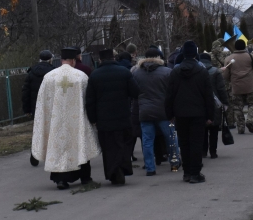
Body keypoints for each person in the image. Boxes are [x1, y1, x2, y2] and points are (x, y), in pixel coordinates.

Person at [32, 47, 100, 190]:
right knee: (79, 145)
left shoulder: (49, 77)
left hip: (56, 122)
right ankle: (85, 178)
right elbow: (89, 99)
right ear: (73, 60)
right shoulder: (80, 76)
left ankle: (60, 180)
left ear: (61, 60)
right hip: (77, 121)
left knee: (58, 147)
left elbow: (42, 102)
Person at [86, 48, 140, 185]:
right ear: (114, 58)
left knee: (109, 147)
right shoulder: (124, 72)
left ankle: (113, 172)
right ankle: (123, 168)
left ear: (100, 60)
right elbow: (135, 92)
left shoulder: (94, 75)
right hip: (123, 115)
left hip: (104, 119)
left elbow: (90, 100)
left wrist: (93, 119)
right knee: (123, 144)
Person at [164, 41, 216, 184]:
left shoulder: (175, 72)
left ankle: (186, 172)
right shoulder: (202, 71)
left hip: (180, 113)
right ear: (195, 54)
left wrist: (169, 114)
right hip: (198, 113)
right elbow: (208, 96)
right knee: (196, 143)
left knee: (184, 143)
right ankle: (195, 173)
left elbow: (169, 95)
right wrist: (210, 115)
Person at [132, 48, 176, 176]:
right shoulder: (167, 72)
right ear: (158, 57)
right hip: (164, 111)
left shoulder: (136, 73)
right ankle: (174, 162)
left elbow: (134, 93)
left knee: (147, 141)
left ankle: (150, 168)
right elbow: (172, 92)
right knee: (171, 137)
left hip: (144, 111)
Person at [22, 49, 56, 166]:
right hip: (51, 106)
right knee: (52, 130)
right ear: (50, 59)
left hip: (36, 107)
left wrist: (27, 109)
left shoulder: (31, 73)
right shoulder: (54, 72)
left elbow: (25, 92)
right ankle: (52, 155)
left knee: (38, 130)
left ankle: (34, 154)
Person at [223, 39, 253, 134]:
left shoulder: (229, 58)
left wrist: (232, 80)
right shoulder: (250, 56)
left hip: (236, 86)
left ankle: (241, 128)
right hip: (250, 85)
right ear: (244, 46)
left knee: (237, 107)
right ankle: (249, 120)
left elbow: (225, 75)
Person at [199, 52, 228, 157]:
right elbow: (221, 89)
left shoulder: (196, 72)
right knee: (214, 128)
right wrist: (225, 102)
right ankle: (213, 151)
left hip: (200, 104)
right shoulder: (216, 72)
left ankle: (203, 151)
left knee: (203, 130)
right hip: (215, 103)